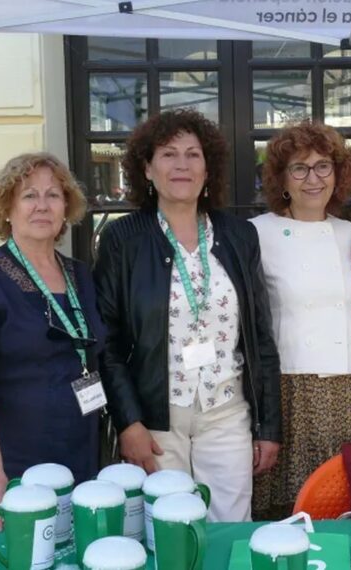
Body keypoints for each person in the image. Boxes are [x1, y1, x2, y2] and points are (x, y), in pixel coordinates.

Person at [93, 109, 281, 522]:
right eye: (168, 154)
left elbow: (260, 336)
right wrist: (129, 423)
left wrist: (269, 427)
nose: (182, 165)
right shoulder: (122, 240)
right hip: (156, 419)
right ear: (146, 167)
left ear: (208, 168)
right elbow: (105, 343)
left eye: (193, 154)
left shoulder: (239, 235)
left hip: (227, 411)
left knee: (230, 524)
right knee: (167, 529)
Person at [0, 153, 105, 536]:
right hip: (12, 471)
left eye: (53, 195)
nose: (42, 205)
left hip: (80, 460)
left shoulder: (80, 275)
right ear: (7, 209)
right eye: (28, 196)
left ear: (66, 209)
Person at [249, 122, 351, 520]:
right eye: (299, 168)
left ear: (337, 174)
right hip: (289, 389)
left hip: (347, 388)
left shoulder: (350, 233)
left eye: (323, 167)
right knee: (289, 507)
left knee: (340, 502)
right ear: (282, 179)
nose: (313, 178)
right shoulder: (257, 233)